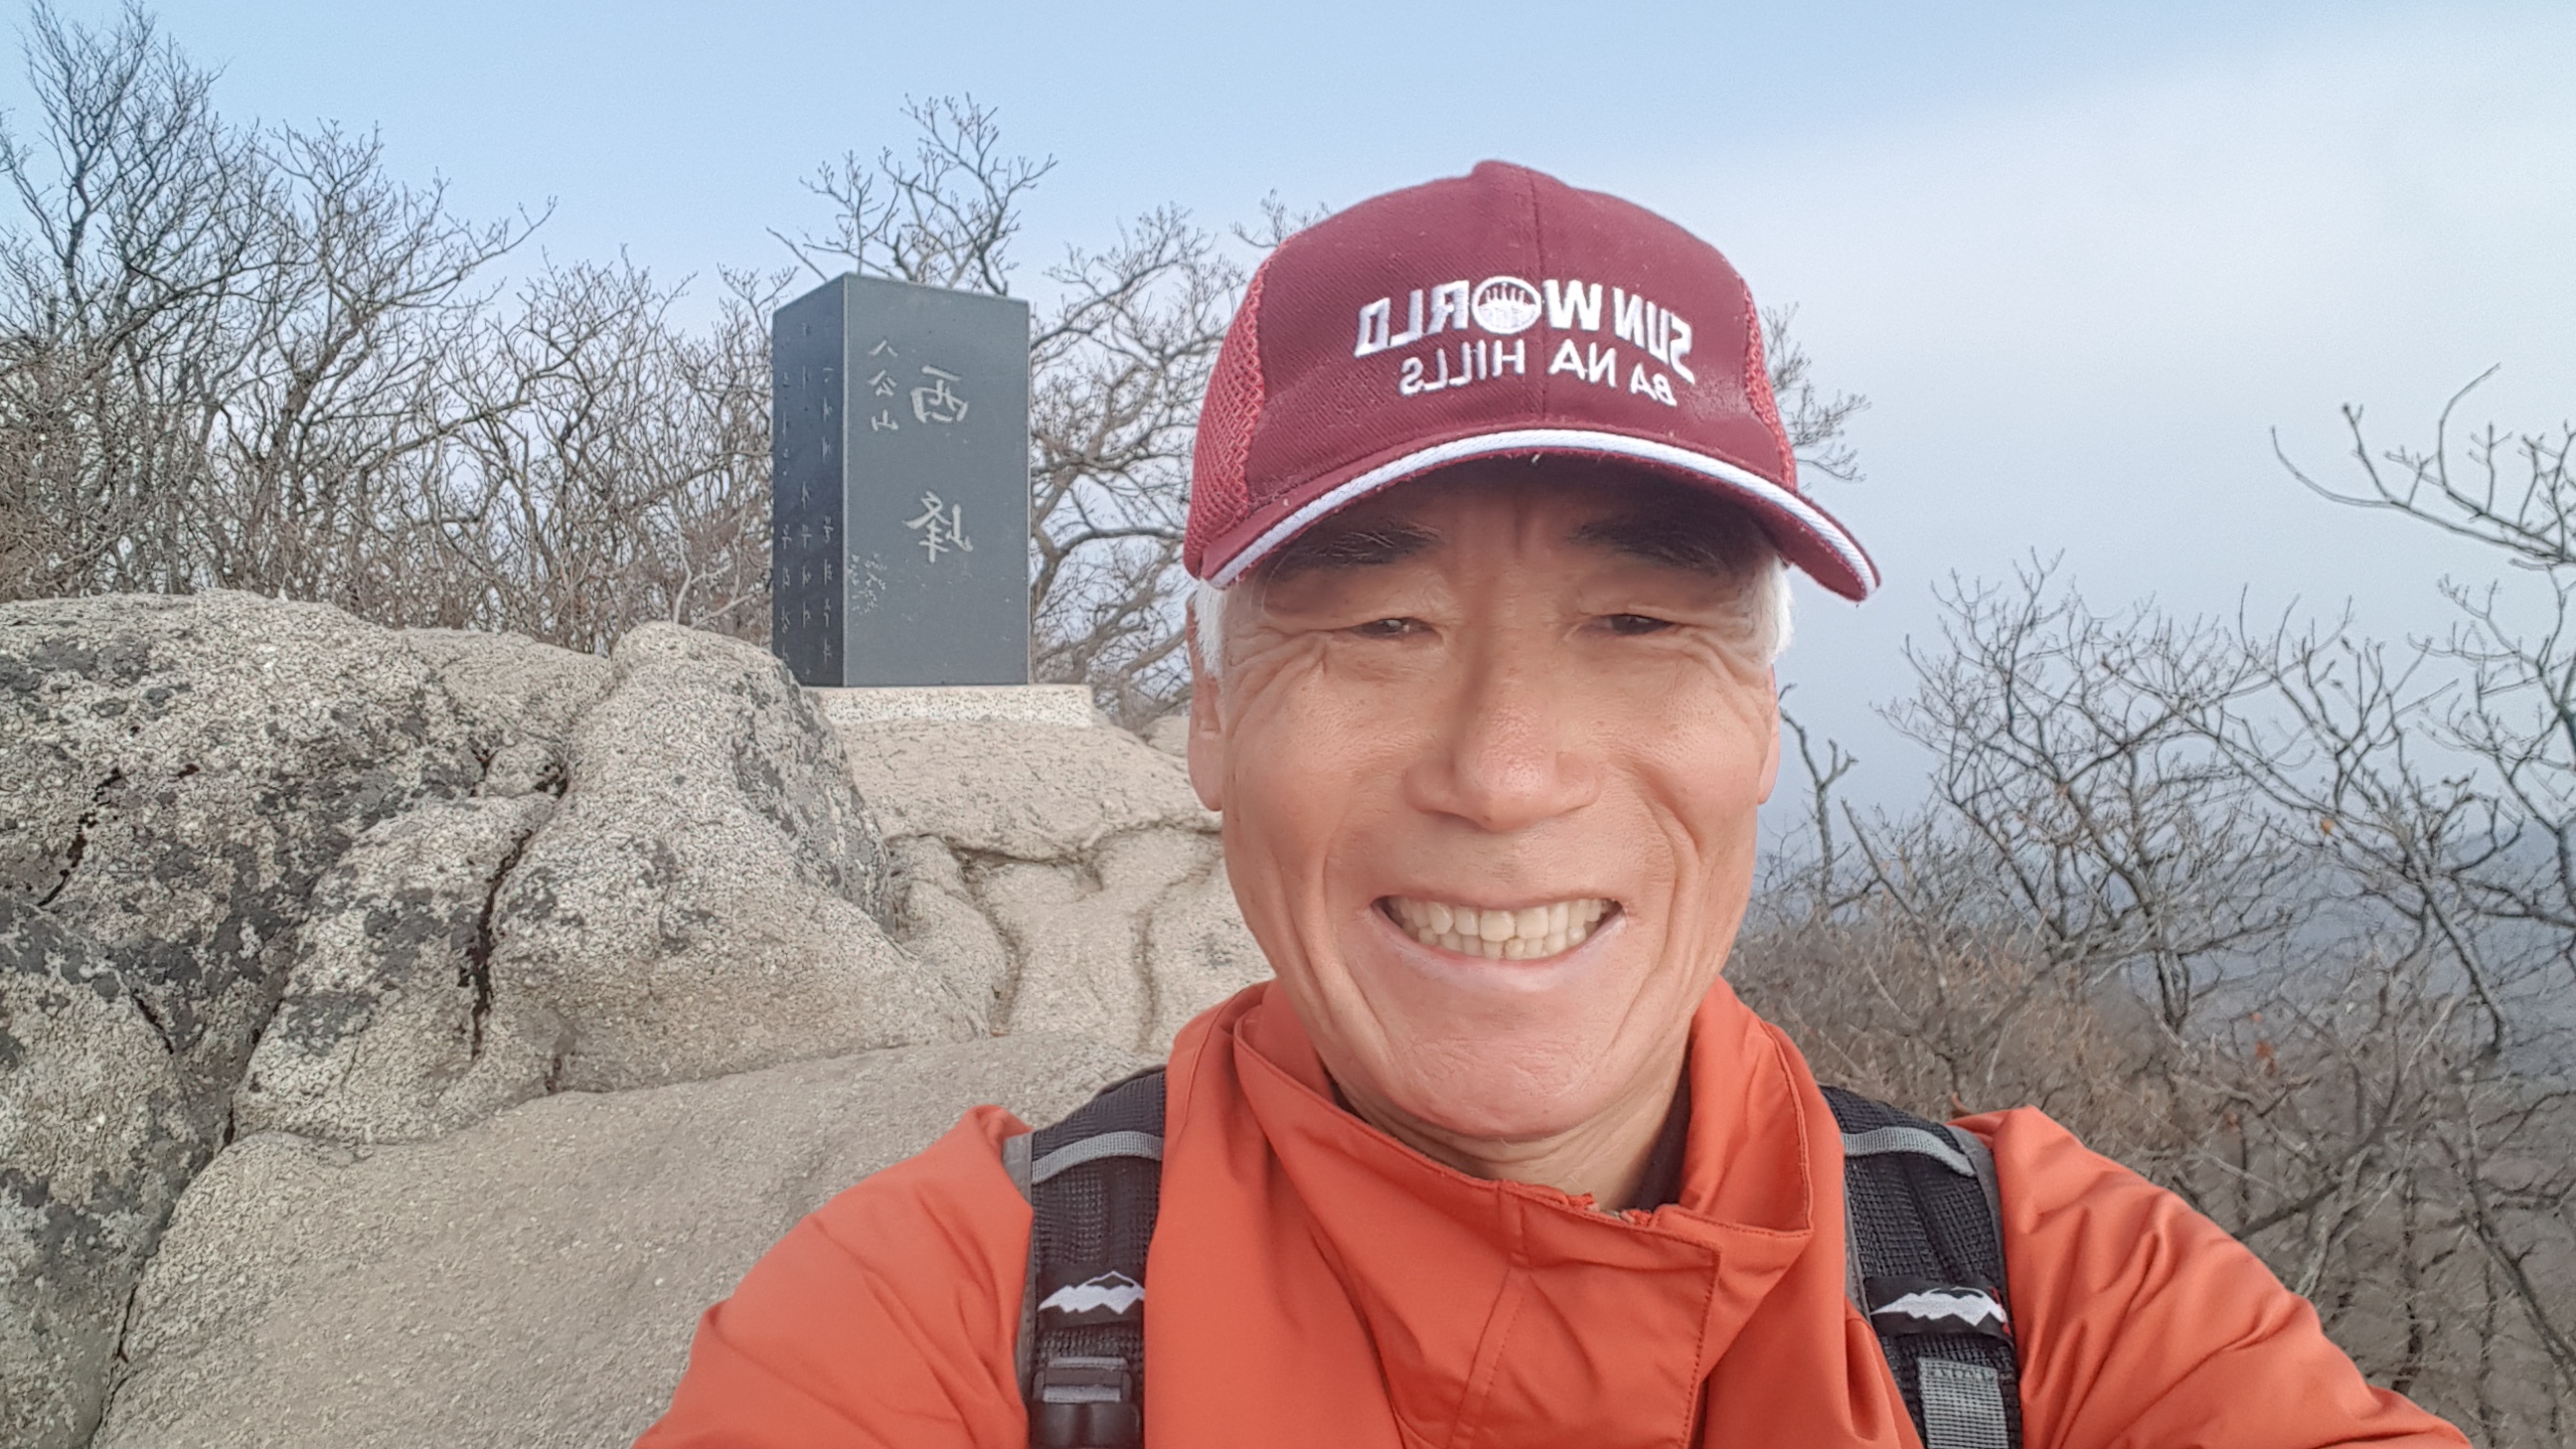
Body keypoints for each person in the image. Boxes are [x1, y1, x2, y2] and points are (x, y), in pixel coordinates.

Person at [636, 162, 2465, 1448]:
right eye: (1380, 624)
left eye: (1638, 623)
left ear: (1760, 717)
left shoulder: (2054, 1303)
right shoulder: (955, 1317)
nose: (1506, 771)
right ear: (1212, 718)